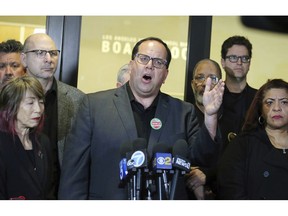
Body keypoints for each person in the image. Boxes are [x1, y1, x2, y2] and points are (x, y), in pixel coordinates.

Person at [58, 36, 225, 200]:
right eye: (143, 58)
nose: (150, 66)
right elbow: (74, 175)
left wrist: (210, 116)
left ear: (165, 75)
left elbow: (203, 157)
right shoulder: (93, 106)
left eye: (158, 62)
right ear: (131, 66)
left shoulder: (183, 112)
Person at [20, 33, 85, 196]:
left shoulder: (78, 99)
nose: (49, 59)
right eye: (40, 53)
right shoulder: (8, 97)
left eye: (53, 53)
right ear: (23, 59)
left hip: (59, 194)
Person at [217, 78, 288, 200]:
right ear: (260, 109)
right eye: (269, 102)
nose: (277, 108)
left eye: (284, 102)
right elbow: (230, 191)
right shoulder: (243, 144)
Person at [0, 75, 56, 200]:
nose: (38, 109)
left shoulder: (43, 142)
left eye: (41, 102)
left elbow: (49, 191)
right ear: (11, 106)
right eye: (30, 103)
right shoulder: (2, 144)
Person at [186, 59, 223, 200]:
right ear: (192, 84)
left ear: (221, 83)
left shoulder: (233, 118)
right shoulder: (183, 117)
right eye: (199, 77)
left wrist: (208, 174)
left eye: (212, 78)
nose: (205, 84)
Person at [219, 35, 257, 150]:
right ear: (223, 62)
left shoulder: (259, 98)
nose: (239, 62)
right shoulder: (214, 96)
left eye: (245, 58)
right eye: (233, 58)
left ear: (249, 64)